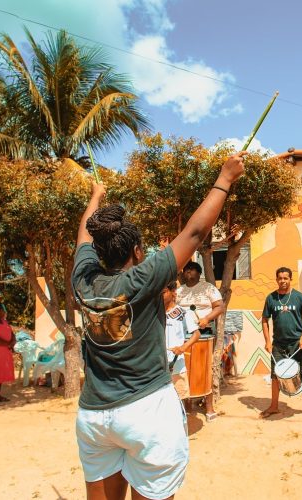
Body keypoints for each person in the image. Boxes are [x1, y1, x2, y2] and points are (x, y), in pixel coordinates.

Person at [71, 151, 246, 500]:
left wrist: (95, 197)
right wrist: (225, 179)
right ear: (137, 250)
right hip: (146, 412)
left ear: (99, 252)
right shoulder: (142, 279)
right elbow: (195, 233)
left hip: (93, 416)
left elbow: (83, 240)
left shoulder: (84, 279)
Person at [259, 267, 302, 422]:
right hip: (278, 345)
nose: (283, 281)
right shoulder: (271, 298)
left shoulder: (299, 297)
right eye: (280, 278)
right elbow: (264, 320)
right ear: (276, 279)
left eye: (286, 278)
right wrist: (268, 341)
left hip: (298, 344)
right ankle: (274, 406)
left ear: (290, 279)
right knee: (275, 377)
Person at [176, 261, 224, 420]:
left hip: (203, 333)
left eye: (191, 270)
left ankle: (209, 408)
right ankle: (187, 405)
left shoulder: (208, 287)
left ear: (198, 272)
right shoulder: (180, 290)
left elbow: (219, 307)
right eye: (186, 270)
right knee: (185, 370)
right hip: (183, 335)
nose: (188, 272)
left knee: (203, 371)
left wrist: (207, 318)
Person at [163, 281, 201, 401]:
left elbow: (196, 334)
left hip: (176, 366)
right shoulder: (154, 313)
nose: (159, 296)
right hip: (157, 367)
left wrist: (182, 348)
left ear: (173, 292)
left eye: (163, 293)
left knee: (178, 400)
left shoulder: (183, 313)